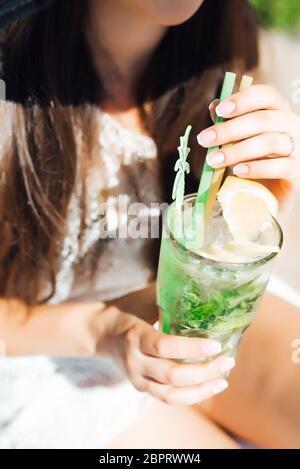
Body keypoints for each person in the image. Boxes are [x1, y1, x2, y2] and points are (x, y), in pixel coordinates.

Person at [0, 0, 299, 449]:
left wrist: (256, 202)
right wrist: (100, 331)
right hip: (44, 346)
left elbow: (212, 246)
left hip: (172, 300)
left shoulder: (224, 43)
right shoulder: (11, 86)